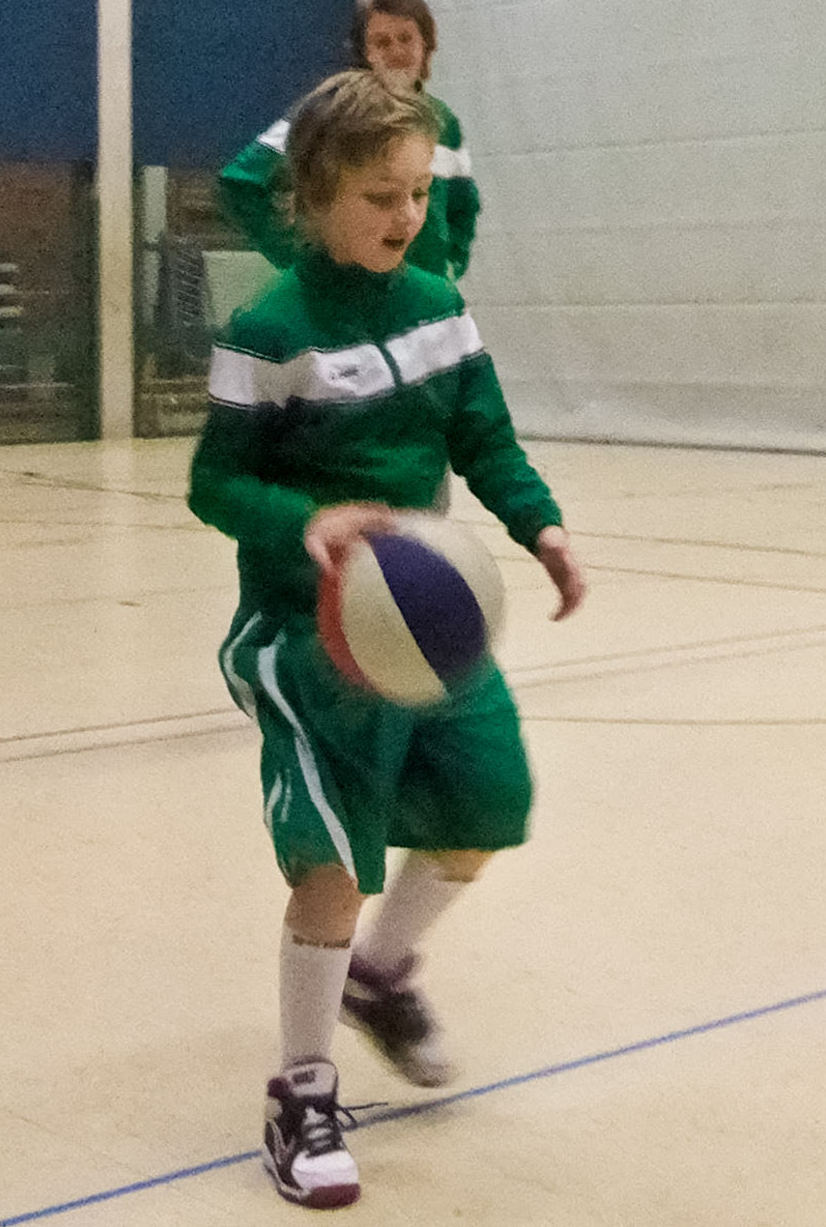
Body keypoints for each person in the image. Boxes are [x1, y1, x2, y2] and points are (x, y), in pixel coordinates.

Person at [188, 70, 587, 1209]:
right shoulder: (271, 330)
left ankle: (381, 973)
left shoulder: (438, 306)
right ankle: (303, 1092)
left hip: (426, 624)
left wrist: (541, 525)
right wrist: (305, 522)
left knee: (487, 808)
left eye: (416, 192)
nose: (407, 214)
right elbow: (216, 483)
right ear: (316, 194)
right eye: (379, 195)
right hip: (305, 635)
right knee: (329, 864)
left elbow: (485, 438)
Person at [217, 0, 481, 283]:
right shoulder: (331, 111)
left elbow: (463, 204)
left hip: (424, 296)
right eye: (382, 42)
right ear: (365, 52)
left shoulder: (444, 122)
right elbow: (240, 182)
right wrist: (296, 258)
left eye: (406, 39)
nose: (396, 52)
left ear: (426, 45)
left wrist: (452, 262)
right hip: (348, 297)